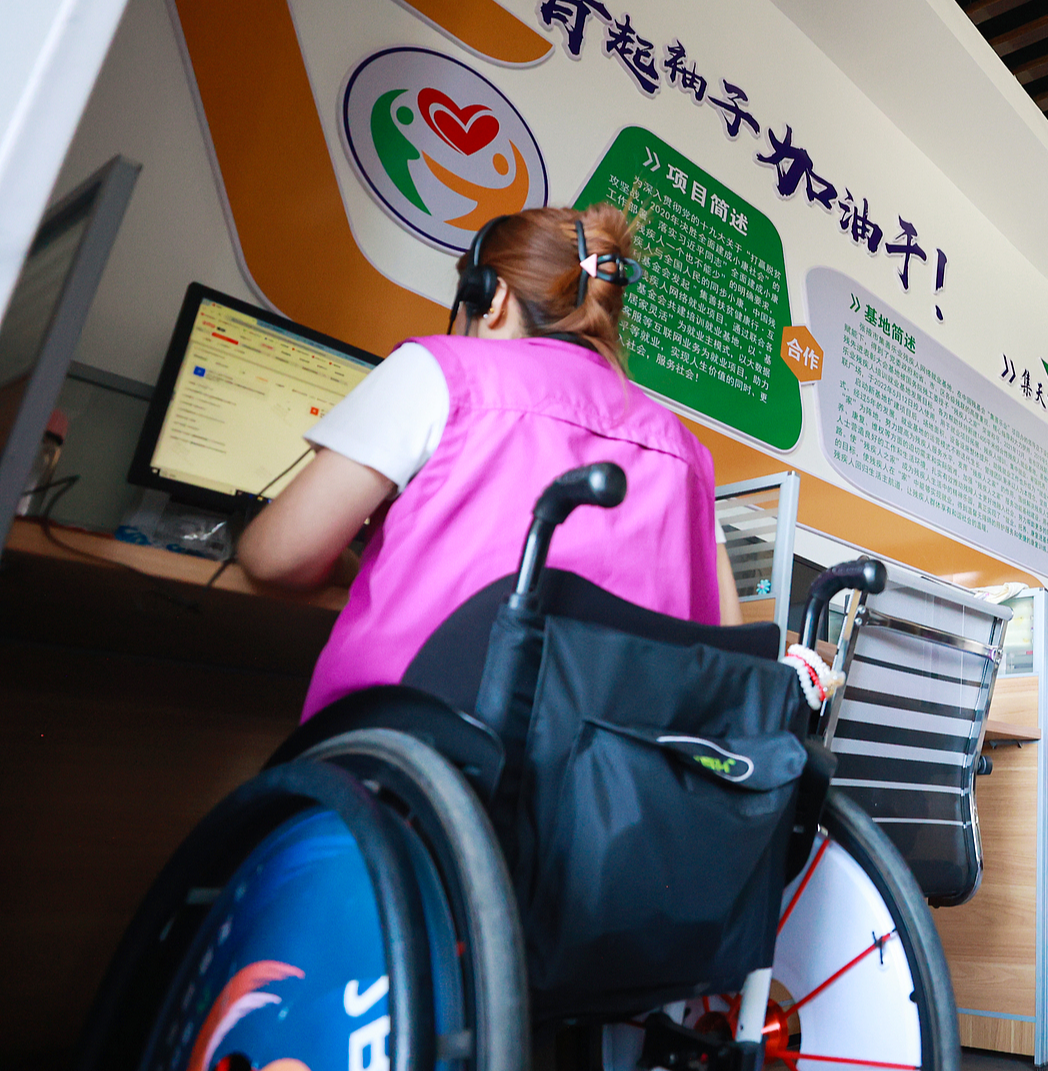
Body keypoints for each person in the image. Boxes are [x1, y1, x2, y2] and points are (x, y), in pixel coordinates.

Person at [238, 205, 743, 720]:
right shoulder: (688, 455)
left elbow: (277, 557)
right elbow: (724, 636)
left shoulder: (440, 370)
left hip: (415, 758)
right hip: (605, 784)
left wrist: (355, 562)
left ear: (493, 296)